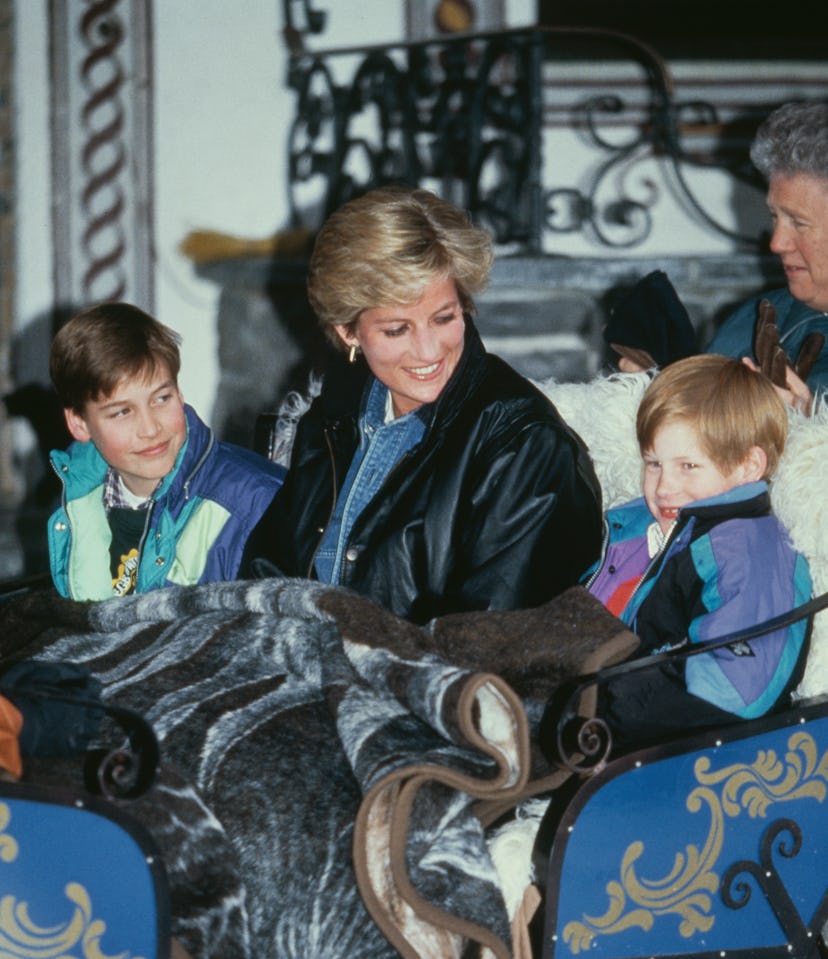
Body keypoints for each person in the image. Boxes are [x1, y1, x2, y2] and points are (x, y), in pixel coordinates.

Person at [245, 187, 602, 623]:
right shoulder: (334, 414)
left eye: (444, 318)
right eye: (397, 330)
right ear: (348, 332)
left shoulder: (526, 445)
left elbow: (493, 644)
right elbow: (266, 573)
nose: (429, 350)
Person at [586, 355, 812, 747]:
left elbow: (735, 686)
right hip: (587, 700)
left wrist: (591, 705)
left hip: (664, 754)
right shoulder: (630, 525)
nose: (664, 486)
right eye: (653, 464)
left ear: (748, 466)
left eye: (688, 465)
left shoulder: (746, 546)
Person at [47, 302, 285, 600]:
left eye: (161, 398)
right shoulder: (78, 504)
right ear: (79, 424)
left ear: (179, 392)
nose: (150, 429)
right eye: (122, 412)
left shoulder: (260, 502)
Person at [708, 100, 828, 410]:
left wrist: (812, 430)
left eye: (798, 222)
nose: (776, 243)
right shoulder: (756, 319)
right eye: (775, 217)